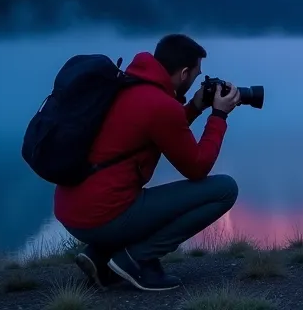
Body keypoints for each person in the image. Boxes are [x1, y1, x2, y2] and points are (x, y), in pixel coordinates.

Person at [54, 33, 242, 291]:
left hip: (72, 211)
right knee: (224, 190)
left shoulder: (128, 83)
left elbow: (160, 132)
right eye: (197, 75)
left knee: (136, 199)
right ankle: (135, 260)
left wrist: (196, 107)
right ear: (185, 73)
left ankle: (100, 255)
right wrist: (219, 115)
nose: (198, 80)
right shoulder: (160, 104)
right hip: (102, 216)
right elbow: (197, 167)